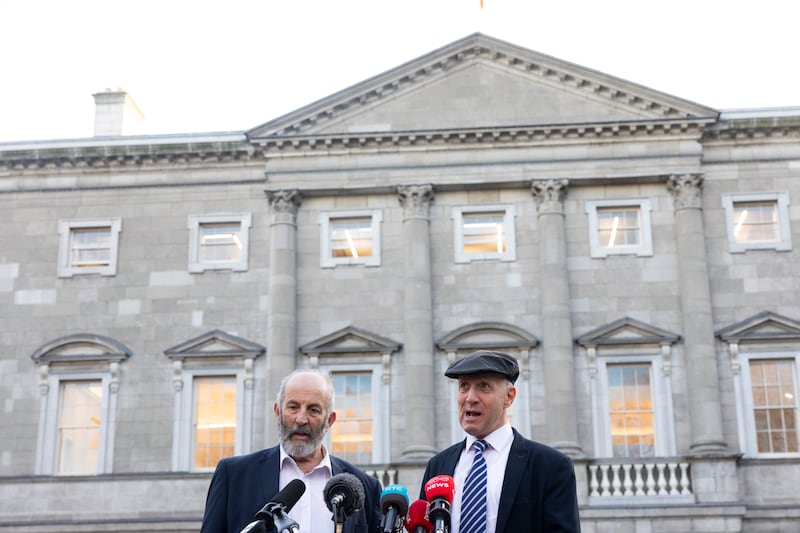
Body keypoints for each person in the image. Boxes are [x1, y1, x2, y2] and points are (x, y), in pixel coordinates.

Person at [200, 369, 382, 533]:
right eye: (293, 407)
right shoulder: (233, 475)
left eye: (313, 410)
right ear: (277, 412)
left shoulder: (366, 487)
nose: (301, 419)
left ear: (330, 420)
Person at [420, 350, 581, 533]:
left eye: (484, 386)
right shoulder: (437, 466)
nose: (470, 398)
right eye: (464, 386)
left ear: (509, 397)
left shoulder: (550, 466)